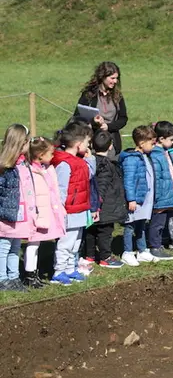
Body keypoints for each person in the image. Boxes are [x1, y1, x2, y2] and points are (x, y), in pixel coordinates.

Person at [51, 122, 96, 285]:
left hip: (80, 209)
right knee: (66, 244)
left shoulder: (79, 161)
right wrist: (60, 211)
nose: (88, 145)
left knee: (75, 243)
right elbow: (61, 190)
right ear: (78, 144)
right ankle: (59, 272)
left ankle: (70, 269)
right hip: (69, 211)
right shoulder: (64, 163)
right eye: (87, 142)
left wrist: (90, 159)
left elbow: (88, 175)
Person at [25, 136, 66, 288]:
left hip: (45, 211)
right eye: (50, 153)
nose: (53, 156)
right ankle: (30, 275)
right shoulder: (31, 171)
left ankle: (34, 273)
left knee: (37, 243)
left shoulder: (46, 169)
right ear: (41, 155)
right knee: (33, 243)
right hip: (36, 213)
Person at [85, 131, 128, 268]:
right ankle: (105, 257)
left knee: (91, 231)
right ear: (110, 146)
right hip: (104, 207)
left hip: (93, 205)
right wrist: (97, 205)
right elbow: (101, 187)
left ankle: (89, 255)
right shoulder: (105, 165)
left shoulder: (90, 162)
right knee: (105, 233)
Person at [0, 124, 35, 292]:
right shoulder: (5, 168)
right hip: (7, 216)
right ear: (22, 143)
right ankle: (2, 279)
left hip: (20, 216)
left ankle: (13, 277)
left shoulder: (23, 164)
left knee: (15, 246)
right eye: (28, 141)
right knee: (4, 247)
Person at [148, 121, 173, 261]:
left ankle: (159, 244)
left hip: (167, 195)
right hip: (161, 197)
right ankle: (154, 246)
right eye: (171, 140)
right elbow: (157, 178)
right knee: (157, 223)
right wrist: (158, 197)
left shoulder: (165, 153)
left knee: (162, 222)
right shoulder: (156, 155)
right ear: (161, 139)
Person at [119, 125, 157, 266]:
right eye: (151, 143)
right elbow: (128, 180)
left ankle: (142, 250)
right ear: (141, 143)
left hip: (144, 198)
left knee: (141, 224)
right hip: (135, 200)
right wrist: (131, 199)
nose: (153, 146)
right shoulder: (132, 159)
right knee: (130, 226)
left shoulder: (145, 156)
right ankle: (127, 252)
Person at [74, 61, 128, 154]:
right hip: (92, 144)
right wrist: (93, 122)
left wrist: (108, 126)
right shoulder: (89, 94)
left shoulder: (118, 96)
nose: (115, 81)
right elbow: (77, 117)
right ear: (103, 77)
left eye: (117, 78)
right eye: (112, 78)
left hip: (112, 143)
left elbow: (123, 119)